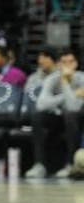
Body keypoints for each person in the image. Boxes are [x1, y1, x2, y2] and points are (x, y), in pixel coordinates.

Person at [26, 50, 84, 178]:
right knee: (37, 115)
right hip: (58, 117)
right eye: (64, 62)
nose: (67, 65)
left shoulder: (82, 78)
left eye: (71, 62)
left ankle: (70, 164)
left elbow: (73, 106)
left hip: (78, 118)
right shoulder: (52, 79)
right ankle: (39, 165)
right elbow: (41, 104)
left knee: (70, 115)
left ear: (76, 64)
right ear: (59, 64)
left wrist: (65, 82)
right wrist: (69, 93)